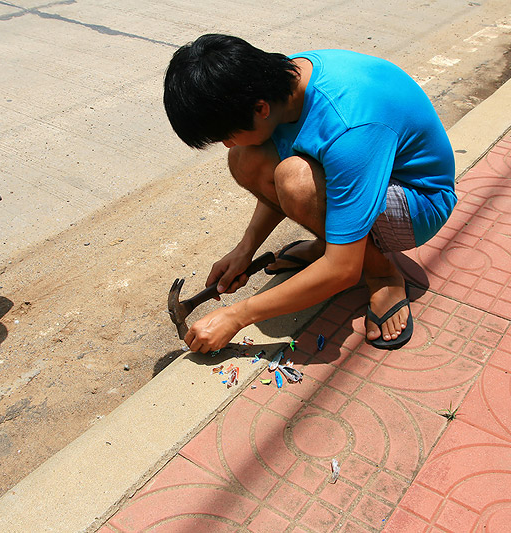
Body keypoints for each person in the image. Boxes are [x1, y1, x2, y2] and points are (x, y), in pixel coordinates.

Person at [163, 34, 456, 354]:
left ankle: (383, 275)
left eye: (227, 134)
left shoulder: (347, 126)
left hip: (419, 200)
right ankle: (335, 241)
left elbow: (342, 271)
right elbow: (280, 156)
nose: (227, 144)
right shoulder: (280, 80)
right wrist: (245, 249)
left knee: (296, 183)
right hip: (365, 174)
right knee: (246, 159)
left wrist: (236, 316)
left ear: (259, 108)